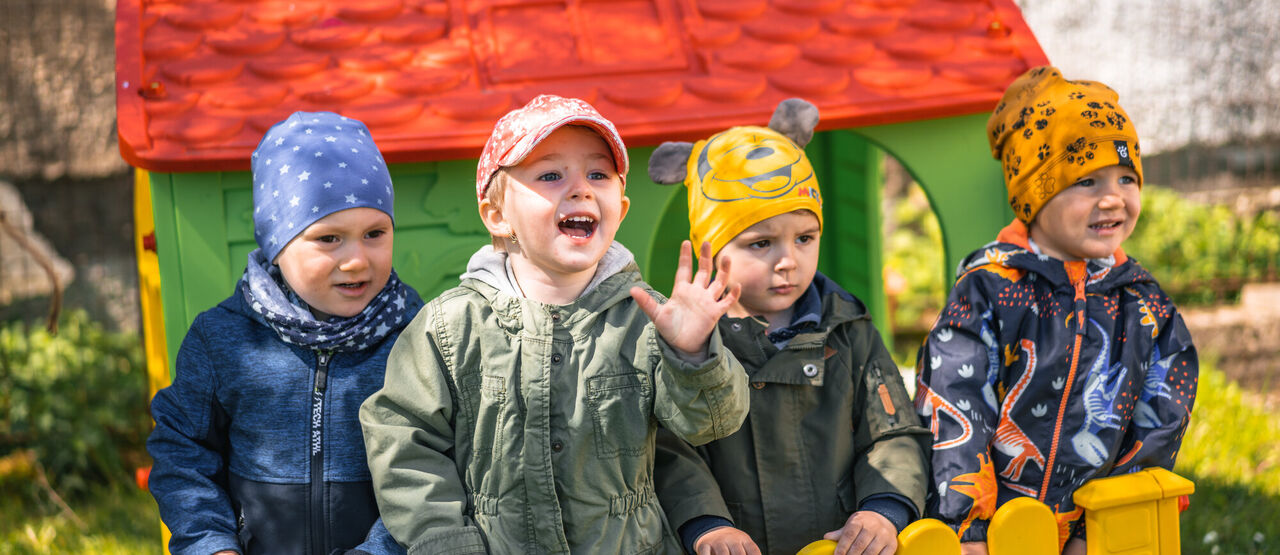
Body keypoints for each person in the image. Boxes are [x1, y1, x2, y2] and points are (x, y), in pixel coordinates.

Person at [358, 94, 750, 554]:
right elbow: (403, 441)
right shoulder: (451, 324)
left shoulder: (647, 319)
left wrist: (692, 354)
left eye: (598, 174)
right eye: (550, 174)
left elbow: (709, 425)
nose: (581, 189)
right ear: (498, 216)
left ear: (620, 210)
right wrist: (445, 540)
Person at [916, 66, 1199, 554]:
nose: (1113, 198)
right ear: (1033, 194)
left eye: (1126, 178)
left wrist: (1104, 524)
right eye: (1086, 180)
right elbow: (954, 399)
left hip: (1099, 528)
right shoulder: (992, 288)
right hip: (1000, 529)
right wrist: (970, 527)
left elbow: (1163, 415)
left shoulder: (1144, 302)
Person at [647, 98, 931, 555]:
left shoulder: (848, 328)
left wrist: (884, 508)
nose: (787, 261)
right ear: (708, 249)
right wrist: (707, 525)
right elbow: (671, 451)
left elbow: (892, 432)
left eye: (804, 238)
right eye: (761, 243)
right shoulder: (692, 342)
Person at [147, 111, 424, 554]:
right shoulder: (220, 339)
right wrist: (209, 542)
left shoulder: (417, 336)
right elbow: (183, 450)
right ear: (278, 246)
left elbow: (433, 465)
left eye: (375, 233)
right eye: (329, 239)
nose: (356, 260)